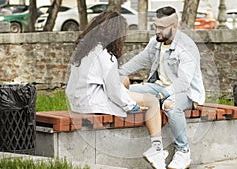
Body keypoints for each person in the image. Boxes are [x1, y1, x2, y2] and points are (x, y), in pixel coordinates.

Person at [65, 11, 168, 169]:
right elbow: (113, 91)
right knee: (152, 102)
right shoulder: (105, 55)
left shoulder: (84, 50)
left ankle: (156, 148)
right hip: (93, 103)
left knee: (125, 81)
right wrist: (131, 106)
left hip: (78, 101)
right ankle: (157, 150)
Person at [119, 6, 205, 169]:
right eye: (155, 26)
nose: (157, 31)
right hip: (158, 88)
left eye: (161, 28)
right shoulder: (156, 42)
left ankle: (183, 152)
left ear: (174, 27)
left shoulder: (187, 47)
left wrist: (162, 96)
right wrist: (115, 74)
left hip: (186, 94)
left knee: (169, 105)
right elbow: (140, 61)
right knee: (125, 93)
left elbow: (183, 83)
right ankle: (157, 151)